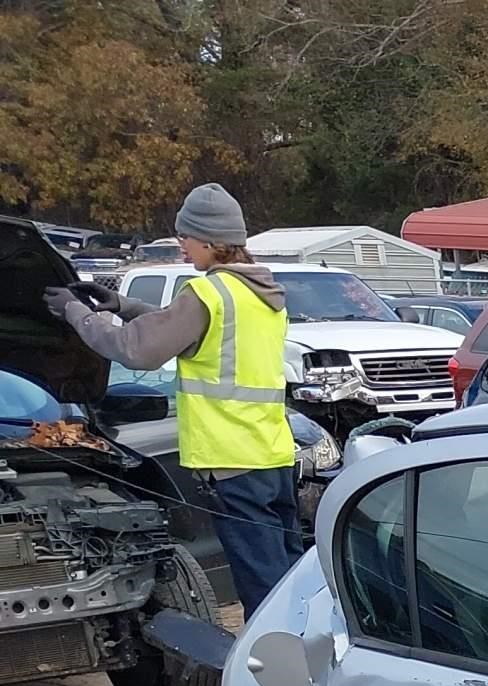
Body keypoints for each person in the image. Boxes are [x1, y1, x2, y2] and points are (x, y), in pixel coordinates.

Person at [45, 183, 302, 618]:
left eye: (184, 237)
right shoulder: (261, 294)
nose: (181, 247)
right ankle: (311, 656)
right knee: (289, 575)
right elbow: (189, 332)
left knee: (262, 587)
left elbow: (134, 350)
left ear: (209, 240)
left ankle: (279, 677)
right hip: (272, 455)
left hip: (232, 461)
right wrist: (125, 304)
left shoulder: (208, 294)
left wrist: (76, 312)